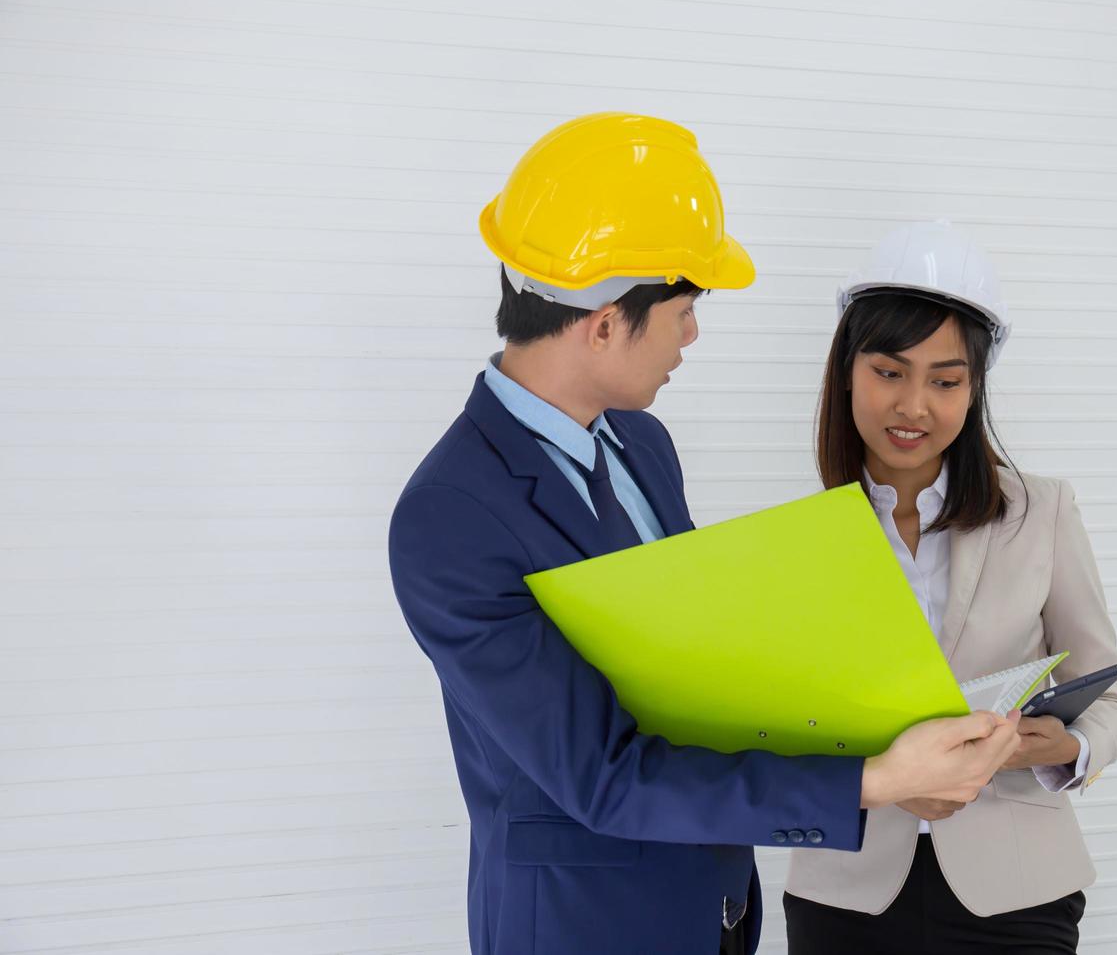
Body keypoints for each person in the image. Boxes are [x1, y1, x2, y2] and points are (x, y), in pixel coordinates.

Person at [387, 116, 1022, 955]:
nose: (692, 335)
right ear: (606, 321)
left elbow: (688, 680)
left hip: (713, 907)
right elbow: (602, 775)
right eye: (684, 310)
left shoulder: (641, 444)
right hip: (586, 926)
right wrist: (872, 781)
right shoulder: (449, 516)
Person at [783, 221, 1117, 955]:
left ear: (974, 390)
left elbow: (1111, 696)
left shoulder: (1041, 512)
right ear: (847, 371)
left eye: (945, 381)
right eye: (889, 372)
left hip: (1015, 889)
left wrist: (1065, 747)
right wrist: (873, 774)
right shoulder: (800, 541)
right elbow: (776, 728)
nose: (915, 405)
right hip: (847, 889)